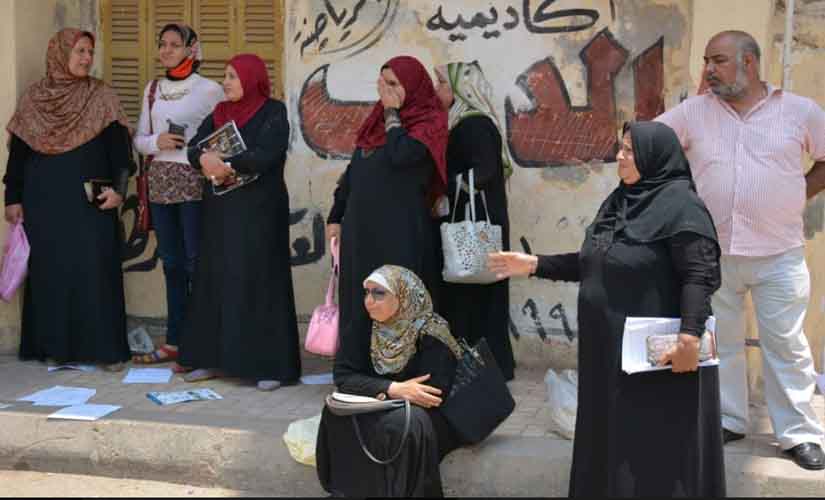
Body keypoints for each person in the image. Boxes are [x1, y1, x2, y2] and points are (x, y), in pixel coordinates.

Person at [489, 121, 725, 497]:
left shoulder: (683, 208)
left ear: (654, 156)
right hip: (609, 356)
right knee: (614, 442)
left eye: (630, 150)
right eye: (621, 148)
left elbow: (699, 276)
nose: (620, 156)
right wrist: (534, 264)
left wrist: (689, 339)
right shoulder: (619, 202)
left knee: (654, 452)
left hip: (658, 363)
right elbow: (593, 262)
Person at [656, 30, 825, 470]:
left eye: (718, 61)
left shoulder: (799, 111)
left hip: (778, 254)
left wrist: (797, 193)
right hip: (713, 254)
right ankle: (728, 419)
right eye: (706, 61)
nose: (709, 69)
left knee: (785, 345)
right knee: (721, 341)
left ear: (748, 62)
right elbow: (646, 142)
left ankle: (799, 433)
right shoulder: (695, 111)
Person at [3, 29, 132, 371]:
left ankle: (104, 351)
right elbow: (18, 155)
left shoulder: (102, 96)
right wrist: (12, 197)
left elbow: (121, 152)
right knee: (52, 273)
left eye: (90, 52)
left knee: (95, 272)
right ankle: (53, 347)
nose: (87, 58)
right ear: (60, 53)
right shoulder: (34, 99)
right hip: (44, 205)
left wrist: (120, 190)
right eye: (79, 51)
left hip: (91, 204)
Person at [325, 55, 449, 390]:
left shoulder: (430, 122)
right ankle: (359, 373)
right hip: (362, 233)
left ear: (413, 87)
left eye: (393, 84)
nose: (385, 91)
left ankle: (400, 376)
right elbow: (353, 174)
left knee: (396, 298)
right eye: (382, 83)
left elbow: (402, 155)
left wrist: (393, 114)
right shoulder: (375, 124)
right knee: (362, 298)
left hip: (400, 232)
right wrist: (336, 215)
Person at [178, 53, 301, 391]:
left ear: (251, 78)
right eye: (225, 76)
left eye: (232, 76)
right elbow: (193, 148)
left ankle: (270, 366)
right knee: (217, 279)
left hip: (260, 212)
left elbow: (267, 154)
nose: (226, 82)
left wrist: (227, 166)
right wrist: (203, 158)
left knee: (260, 281)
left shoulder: (273, 112)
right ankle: (212, 359)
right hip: (221, 213)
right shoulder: (219, 113)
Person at [316, 265, 462, 497]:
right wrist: (392, 388)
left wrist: (379, 390)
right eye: (367, 292)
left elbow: (432, 392)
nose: (369, 301)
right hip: (379, 401)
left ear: (403, 295)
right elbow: (344, 376)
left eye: (379, 293)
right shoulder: (363, 325)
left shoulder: (432, 331)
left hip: (426, 412)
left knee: (401, 424)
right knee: (335, 413)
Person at [132, 23, 223, 369]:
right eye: (163, 44)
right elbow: (139, 139)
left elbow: (225, 135)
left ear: (190, 49)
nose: (167, 50)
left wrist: (199, 152)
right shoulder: (153, 89)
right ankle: (174, 342)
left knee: (196, 263)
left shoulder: (210, 89)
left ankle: (200, 344)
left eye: (174, 44)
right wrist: (157, 142)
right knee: (171, 264)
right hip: (161, 182)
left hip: (194, 182)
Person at [433, 60, 515, 380]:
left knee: (477, 295)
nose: (436, 89)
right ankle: (472, 364)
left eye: (442, 83)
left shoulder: (475, 125)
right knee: (468, 293)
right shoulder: (458, 123)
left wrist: (447, 188)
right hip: (472, 224)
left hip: (474, 228)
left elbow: (485, 171)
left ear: (460, 88)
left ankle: (486, 367)